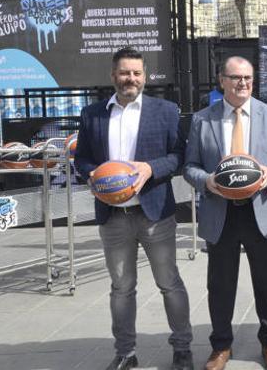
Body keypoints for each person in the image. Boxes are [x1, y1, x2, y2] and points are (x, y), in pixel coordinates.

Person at [74, 47, 192, 370]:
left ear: (145, 76)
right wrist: (90, 173)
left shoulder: (165, 111)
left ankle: (182, 349)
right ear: (114, 76)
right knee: (121, 288)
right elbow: (81, 158)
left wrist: (150, 169)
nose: (131, 79)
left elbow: (178, 157)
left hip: (155, 213)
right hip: (113, 217)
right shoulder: (92, 114)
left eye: (137, 73)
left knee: (169, 283)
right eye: (125, 73)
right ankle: (125, 353)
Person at [183, 56, 267, 370]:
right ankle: (220, 346)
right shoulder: (203, 119)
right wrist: (209, 183)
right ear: (222, 80)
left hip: (260, 212)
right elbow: (189, 166)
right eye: (235, 77)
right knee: (220, 284)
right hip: (221, 212)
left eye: (247, 78)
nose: (242, 83)